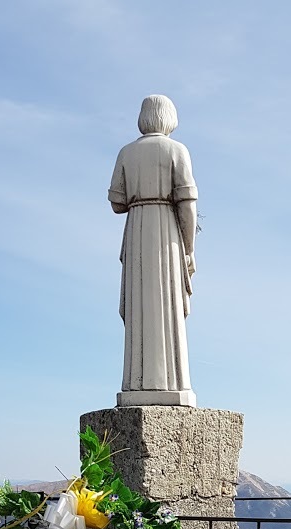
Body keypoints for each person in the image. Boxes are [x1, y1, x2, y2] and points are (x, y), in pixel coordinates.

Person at [108, 95, 198, 406]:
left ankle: (137, 383)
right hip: (166, 233)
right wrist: (189, 249)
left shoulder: (126, 152)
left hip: (137, 231)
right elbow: (187, 204)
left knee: (139, 306)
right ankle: (171, 382)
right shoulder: (177, 150)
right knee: (167, 304)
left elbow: (117, 202)